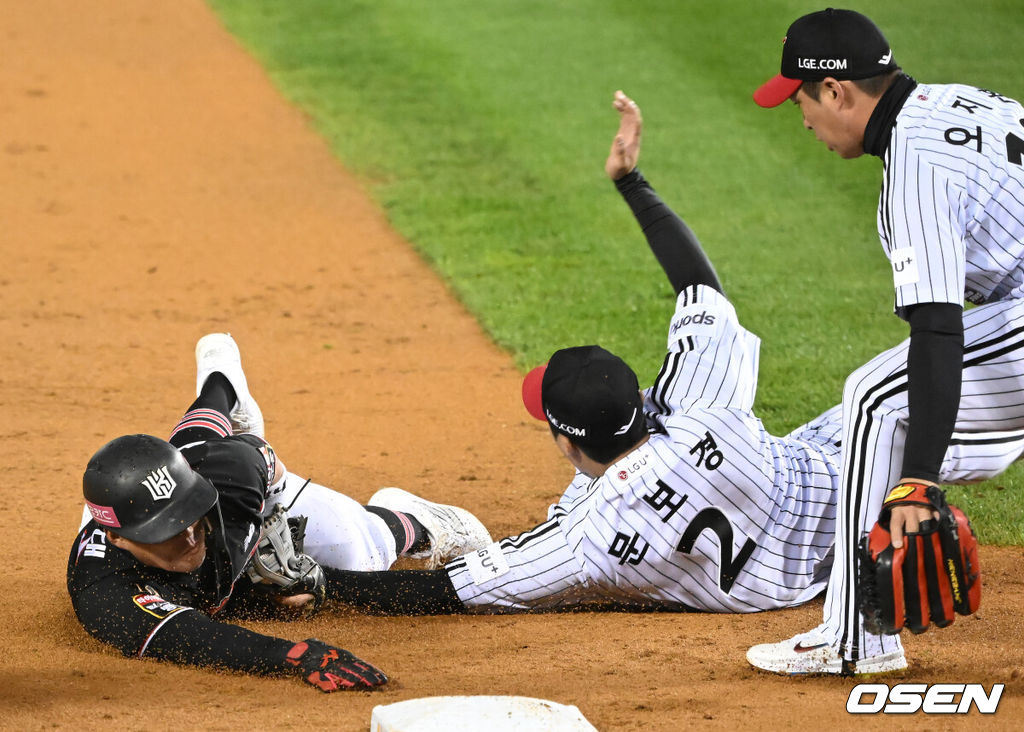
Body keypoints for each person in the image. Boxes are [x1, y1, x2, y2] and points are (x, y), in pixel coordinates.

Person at [305, 92, 1024, 631]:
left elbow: (448, 592)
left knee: (879, 401)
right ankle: (920, 496)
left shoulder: (588, 541)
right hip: (836, 504)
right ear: (644, 401)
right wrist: (632, 182)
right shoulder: (701, 405)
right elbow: (699, 283)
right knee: (887, 408)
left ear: (565, 438)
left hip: (763, 589)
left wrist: (325, 588)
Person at [748, 8, 1024, 674]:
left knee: (875, 397)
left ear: (837, 91)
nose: (802, 117)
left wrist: (918, 480)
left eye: (801, 99)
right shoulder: (965, 102)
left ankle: (857, 640)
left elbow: (938, 327)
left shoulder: (915, 166)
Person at [67, 333, 492, 691]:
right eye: (167, 530)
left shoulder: (224, 486)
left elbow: (256, 458)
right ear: (116, 537)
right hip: (180, 494)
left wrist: (273, 521)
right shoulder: (105, 590)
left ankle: (414, 520)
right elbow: (194, 638)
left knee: (356, 552)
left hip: (229, 473)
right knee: (190, 454)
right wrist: (294, 655)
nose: (189, 535)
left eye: (189, 515)